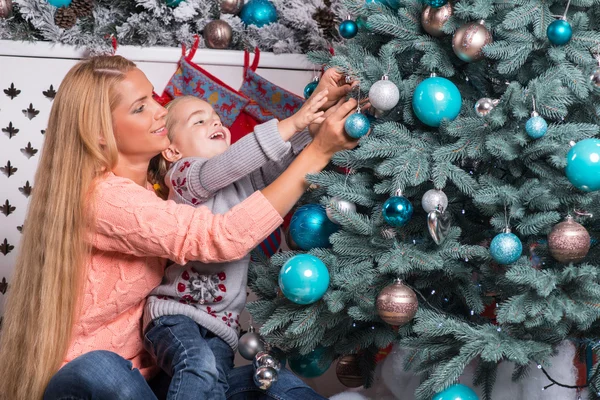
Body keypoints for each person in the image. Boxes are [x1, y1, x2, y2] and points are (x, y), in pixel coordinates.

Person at [0, 55, 358, 400]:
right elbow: (220, 237)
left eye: (153, 98)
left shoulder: (158, 192)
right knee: (102, 367)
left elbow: (259, 171)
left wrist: (320, 106)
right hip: (88, 384)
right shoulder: (103, 197)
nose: (160, 111)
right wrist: (317, 152)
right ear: (100, 135)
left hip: (152, 381)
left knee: (269, 381)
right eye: (140, 108)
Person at [143, 90, 328, 400]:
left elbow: (282, 165)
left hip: (222, 327)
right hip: (175, 315)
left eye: (217, 119)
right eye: (199, 121)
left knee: (213, 384)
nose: (216, 123)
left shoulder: (245, 180)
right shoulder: (184, 177)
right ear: (172, 151)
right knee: (198, 366)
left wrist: (312, 123)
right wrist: (292, 122)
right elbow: (227, 164)